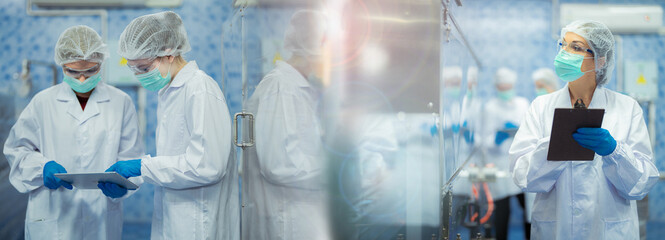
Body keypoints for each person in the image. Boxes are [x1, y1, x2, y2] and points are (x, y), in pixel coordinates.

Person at [509, 20, 659, 240]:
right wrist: (554, 146)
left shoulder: (627, 108)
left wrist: (614, 152)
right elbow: (523, 176)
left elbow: (640, 184)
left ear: (599, 59)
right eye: (563, 44)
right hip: (556, 230)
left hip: (609, 231)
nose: (565, 53)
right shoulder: (540, 107)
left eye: (576, 47)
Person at [3, 25, 144, 239]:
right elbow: (16, 149)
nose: (82, 79)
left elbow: (132, 156)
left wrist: (122, 187)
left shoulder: (121, 102)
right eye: (73, 71)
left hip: (101, 217)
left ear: (101, 63)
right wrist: (41, 168)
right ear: (61, 66)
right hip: (52, 215)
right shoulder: (43, 102)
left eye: (90, 71)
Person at [110, 11, 238, 239]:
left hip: (200, 224)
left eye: (144, 68)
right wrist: (133, 177)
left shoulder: (200, 89)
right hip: (177, 220)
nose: (139, 76)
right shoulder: (170, 91)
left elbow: (208, 166)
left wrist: (143, 167)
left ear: (168, 51)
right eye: (134, 69)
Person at [244, 10, 331, 240]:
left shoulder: (298, 88)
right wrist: (333, 169)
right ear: (316, 46)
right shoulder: (281, 88)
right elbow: (279, 164)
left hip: (300, 217)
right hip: (289, 222)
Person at [482, 67, 530, 240]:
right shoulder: (490, 108)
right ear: (497, 88)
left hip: (522, 163)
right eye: (502, 88)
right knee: (502, 211)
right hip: (500, 164)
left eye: (508, 87)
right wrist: (497, 138)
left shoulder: (523, 104)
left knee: (529, 210)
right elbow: (485, 141)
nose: (505, 91)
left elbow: (532, 132)